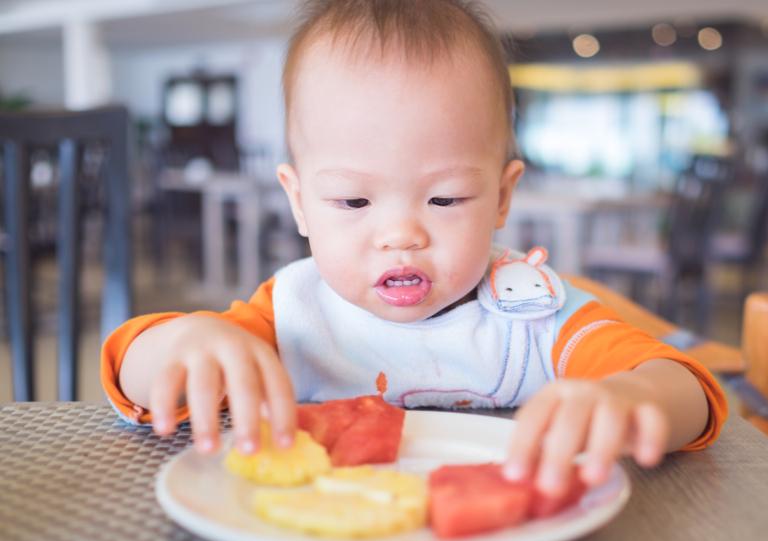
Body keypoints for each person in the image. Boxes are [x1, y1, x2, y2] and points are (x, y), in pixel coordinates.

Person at [101, 0, 727, 497]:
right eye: (352, 202)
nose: (401, 234)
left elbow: (689, 392)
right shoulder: (290, 315)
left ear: (503, 197)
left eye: (446, 199)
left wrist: (635, 400)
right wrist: (183, 345)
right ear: (299, 203)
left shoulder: (534, 318)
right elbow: (132, 370)